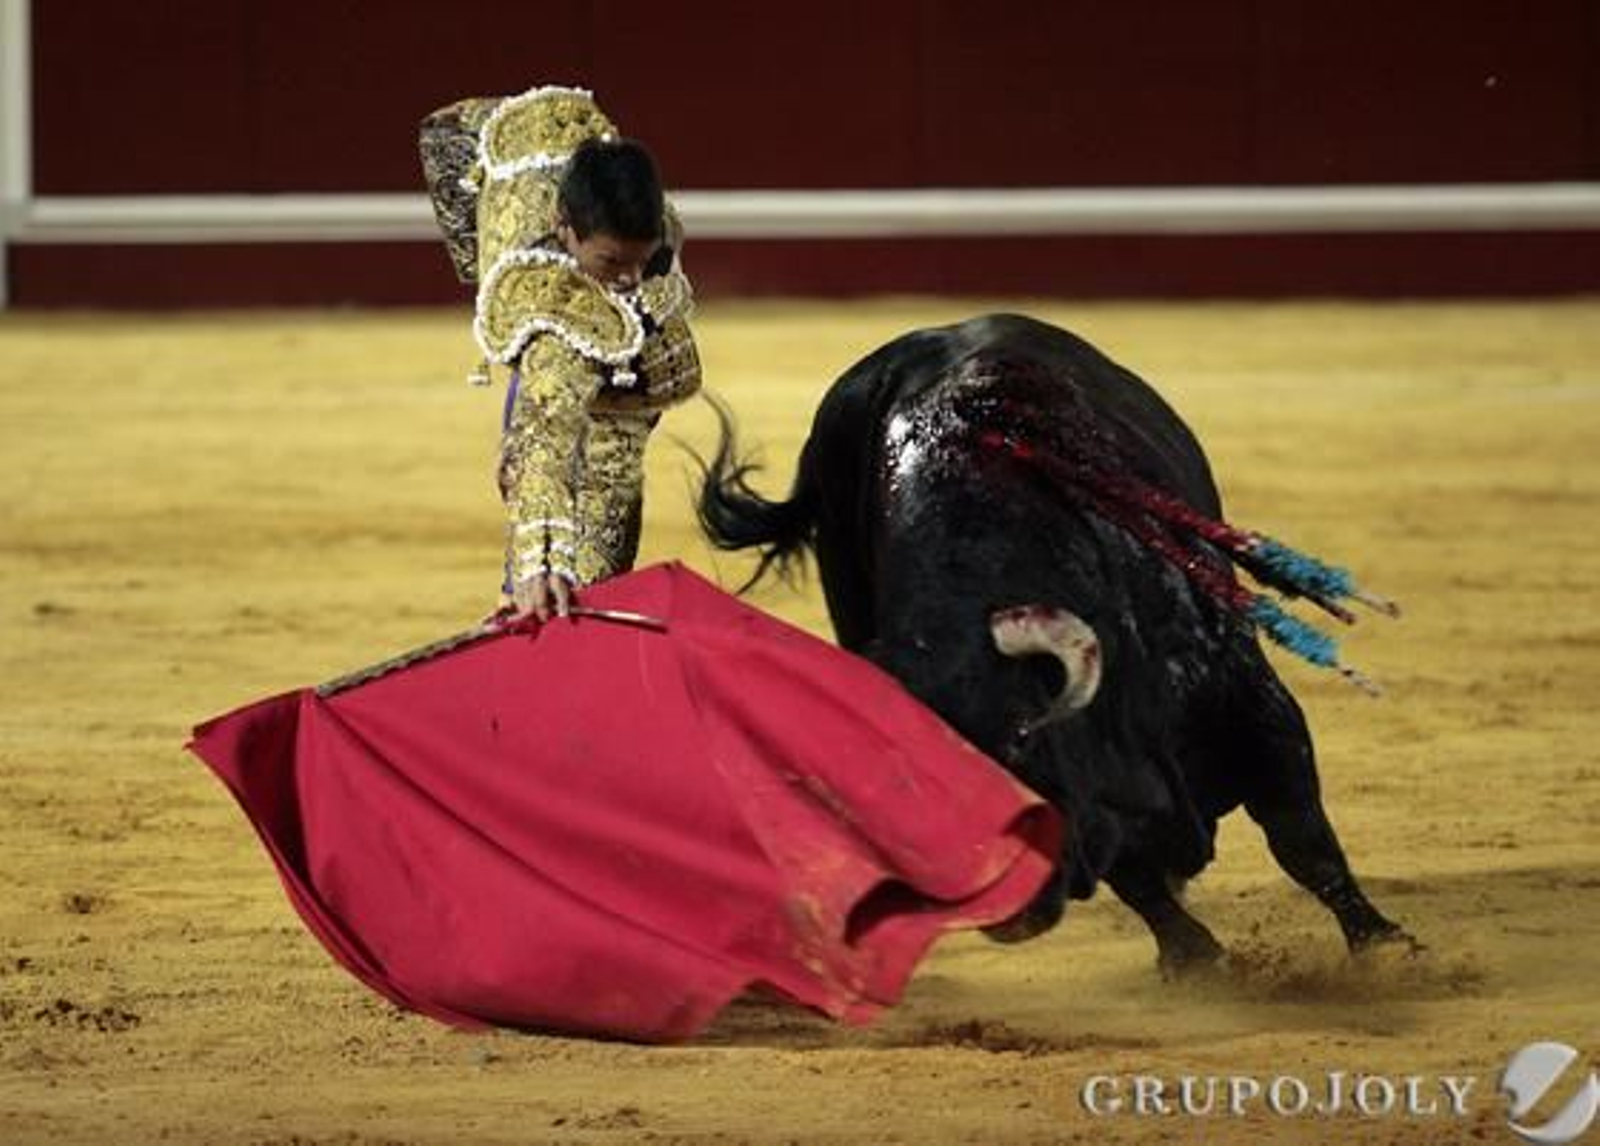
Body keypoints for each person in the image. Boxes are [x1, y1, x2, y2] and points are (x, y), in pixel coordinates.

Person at [419, 85, 702, 622]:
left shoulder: (651, 235)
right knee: (549, 426)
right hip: (476, 149)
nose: (629, 279)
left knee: (610, 460)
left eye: (639, 262)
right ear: (564, 231)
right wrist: (538, 562)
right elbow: (546, 430)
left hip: (559, 163)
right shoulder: (547, 299)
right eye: (612, 261)